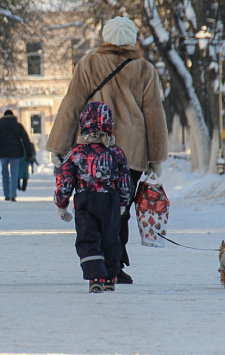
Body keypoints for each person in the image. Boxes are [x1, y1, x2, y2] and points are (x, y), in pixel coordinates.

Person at [46, 15, 169, 285]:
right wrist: (156, 156)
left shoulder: (88, 64)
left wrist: (59, 145)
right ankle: (116, 265)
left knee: (93, 205)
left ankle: (99, 262)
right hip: (133, 151)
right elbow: (154, 114)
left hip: (92, 151)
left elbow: (72, 104)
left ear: (106, 37)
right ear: (132, 39)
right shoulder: (144, 69)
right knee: (120, 209)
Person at [55, 101, 133, 293]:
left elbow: (65, 179)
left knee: (87, 236)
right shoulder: (116, 152)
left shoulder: (76, 152)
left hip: (85, 199)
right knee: (110, 237)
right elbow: (125, 180)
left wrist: (61, 204)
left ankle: (95, 277)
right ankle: (110, 276)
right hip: (110, 200)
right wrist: (123, 202)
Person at [0, 109, 32, 202]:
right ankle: (13, 195)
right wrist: (29, 152)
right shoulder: (18, 126)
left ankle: (6, 194)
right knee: (14, 174)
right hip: (16, 153)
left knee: (4, 173)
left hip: (3, 153)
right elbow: (26, 140)